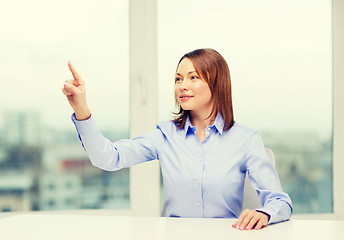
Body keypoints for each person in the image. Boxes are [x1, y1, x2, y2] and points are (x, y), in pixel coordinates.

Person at [62, 48, 292, 230]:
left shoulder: (245, 140)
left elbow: (280, 202)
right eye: (178, 79)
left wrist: (263, 213)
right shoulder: (165, 135)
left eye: (193, 78)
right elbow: (108, 158)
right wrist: (81, 109)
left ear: (217, 83)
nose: (182, 86)